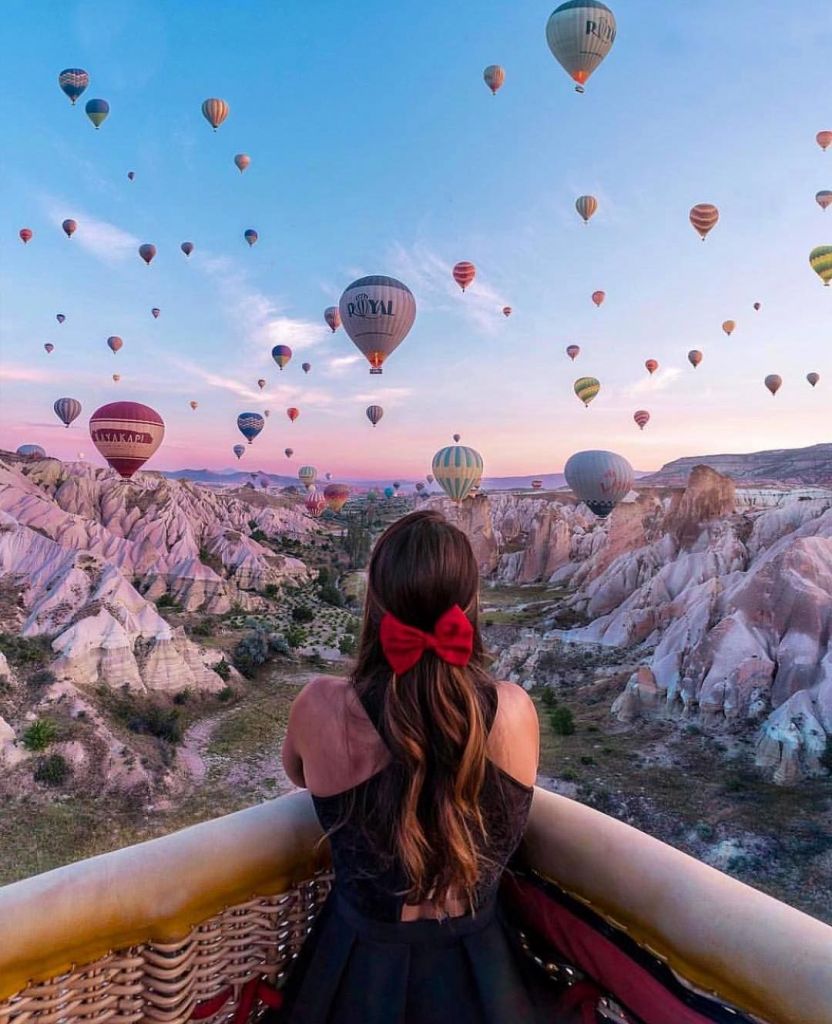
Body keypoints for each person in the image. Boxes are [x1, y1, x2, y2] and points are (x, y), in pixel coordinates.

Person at [272, 510, 563, 1022]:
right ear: (469, 605)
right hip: (486, 975)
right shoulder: (515, 709)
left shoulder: (320, 704)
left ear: (375, 602)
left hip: (354, 972)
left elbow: (299, 776)